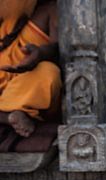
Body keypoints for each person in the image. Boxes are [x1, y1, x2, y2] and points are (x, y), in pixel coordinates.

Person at [0, 0, 61, 137]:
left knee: (48, 72)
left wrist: (40, 54)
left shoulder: (48, 11)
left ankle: (11, 112)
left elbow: (61, 50)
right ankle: (7, 116)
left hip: (26, 91)